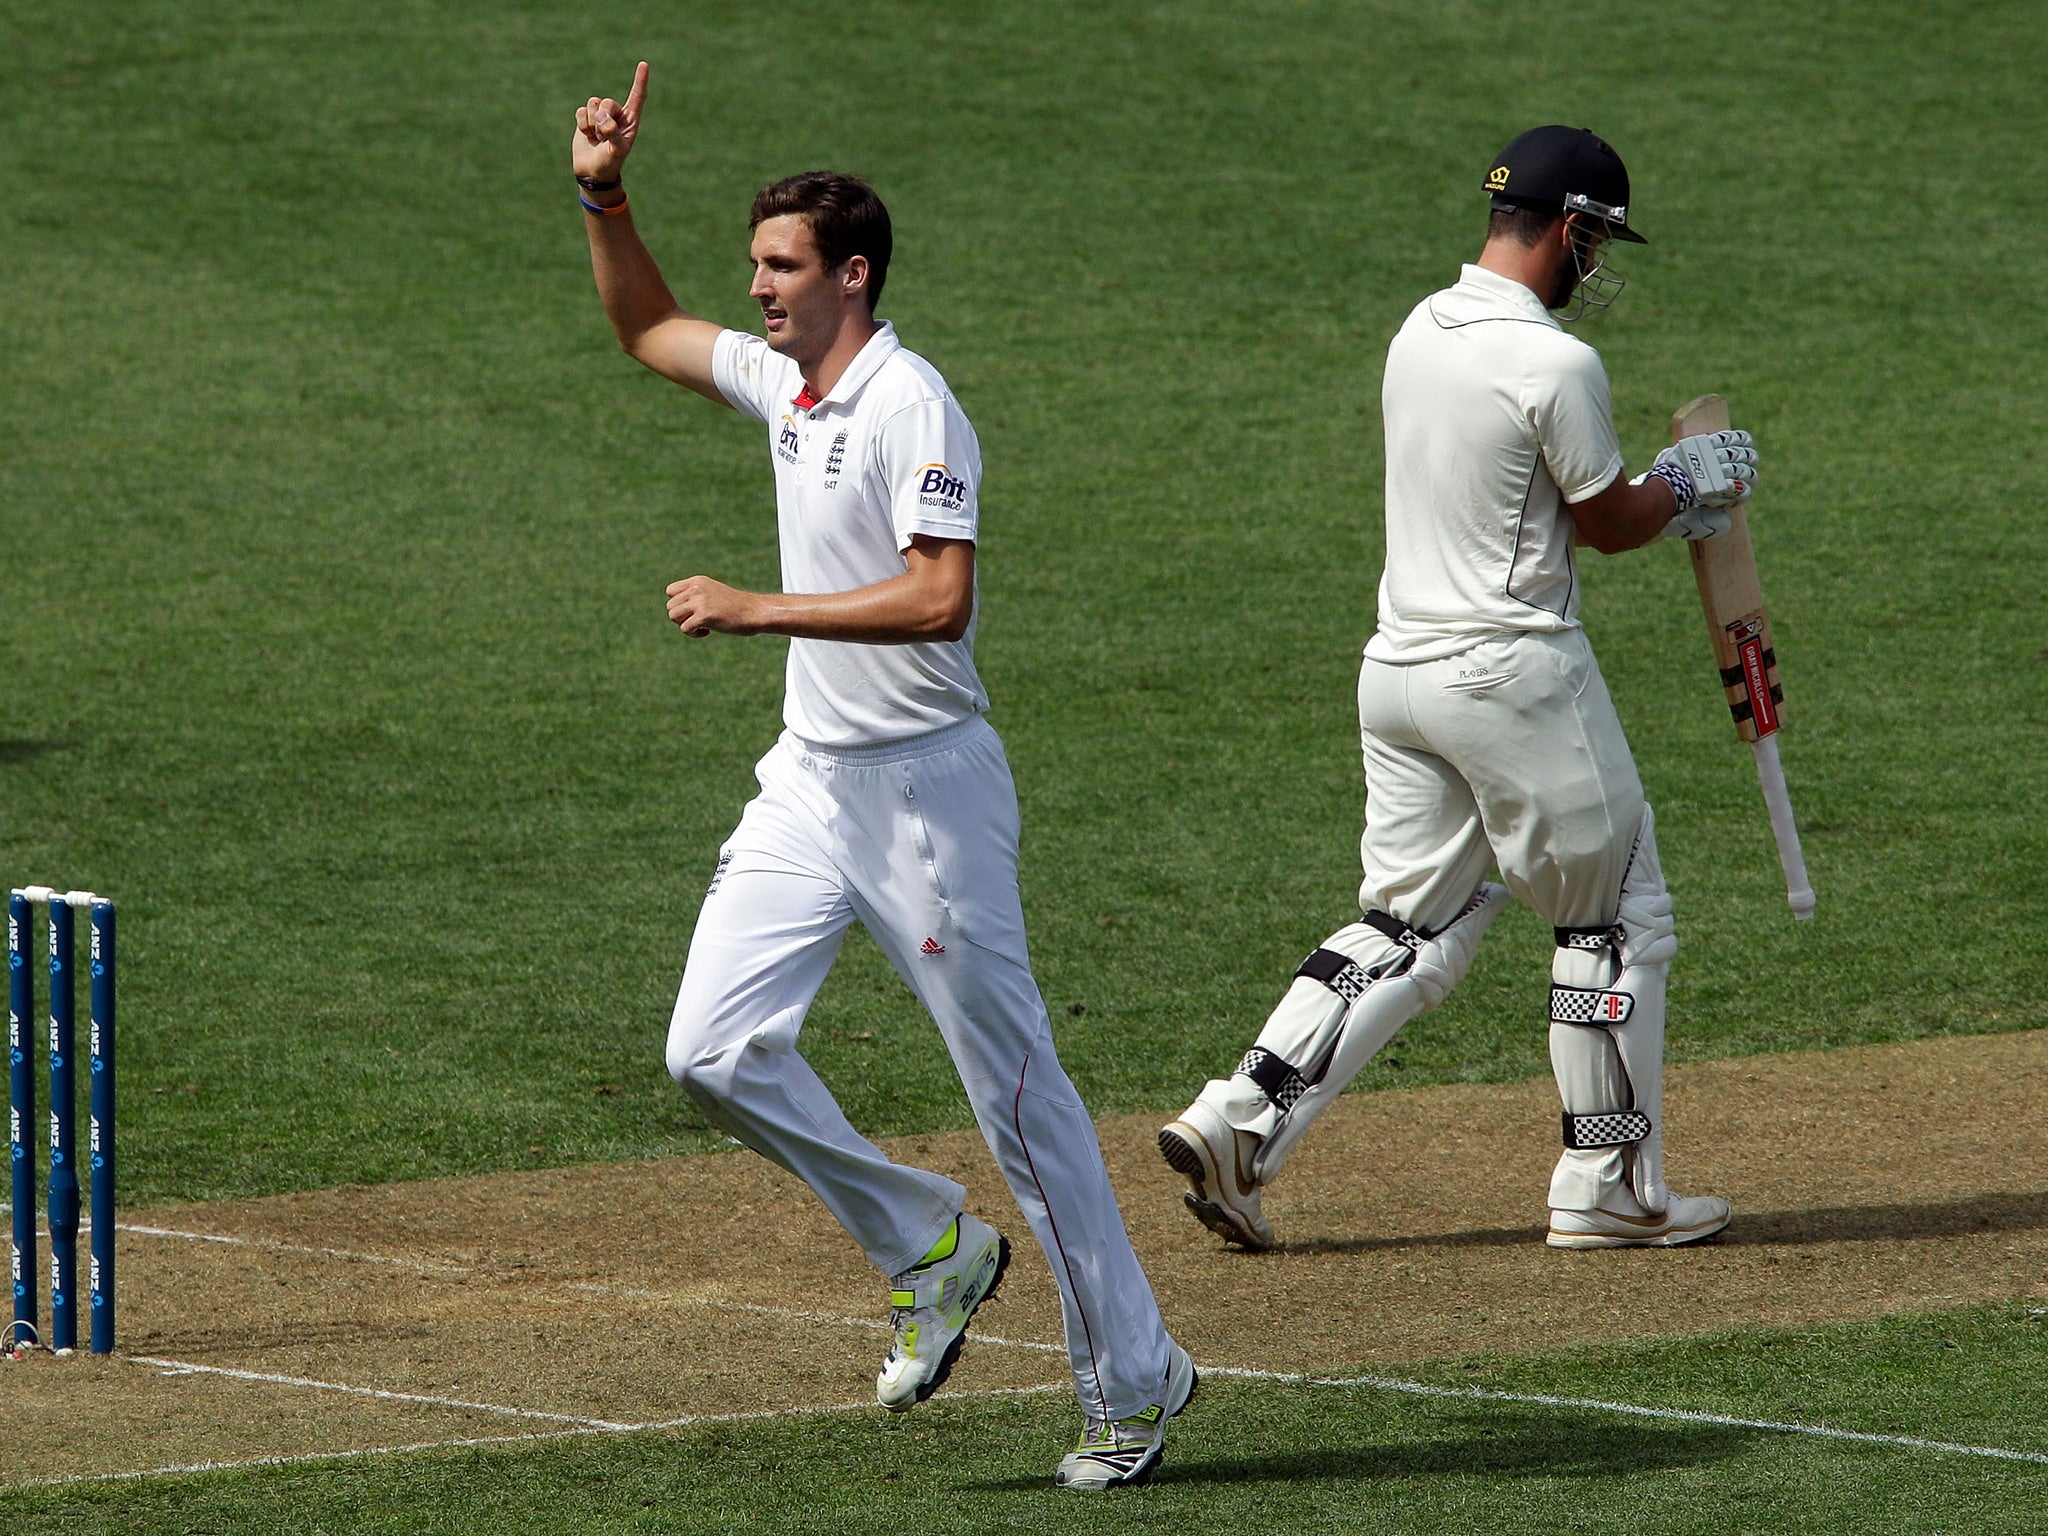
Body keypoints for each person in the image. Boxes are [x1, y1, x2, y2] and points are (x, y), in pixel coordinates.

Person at [572, 63, 1193, 1490]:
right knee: (711, 1054)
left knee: (1019, 1105)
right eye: (758, 268)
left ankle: (1136, 1381)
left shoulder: (912, 403)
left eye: (783, 269)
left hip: (926, 795)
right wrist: (604, 193)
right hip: (812, 781)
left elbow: (938, 600)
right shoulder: (793, 387)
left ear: (852, 273)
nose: (762, 290)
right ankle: (928, 1240)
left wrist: (757, 607)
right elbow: (649, 328)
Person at [1159, 125, 1753, 1254]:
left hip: (1399, 675)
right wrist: (1681, 483)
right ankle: (1609, 1188)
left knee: (1405, 925)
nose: (1597, 265)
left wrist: (1669, 499)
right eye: (1597, 242)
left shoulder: (1417, 329)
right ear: (1570, 231)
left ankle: (1236, 1120)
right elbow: (1603, 522)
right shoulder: (1552, 362)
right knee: (1614, 922)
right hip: (1513, 675)